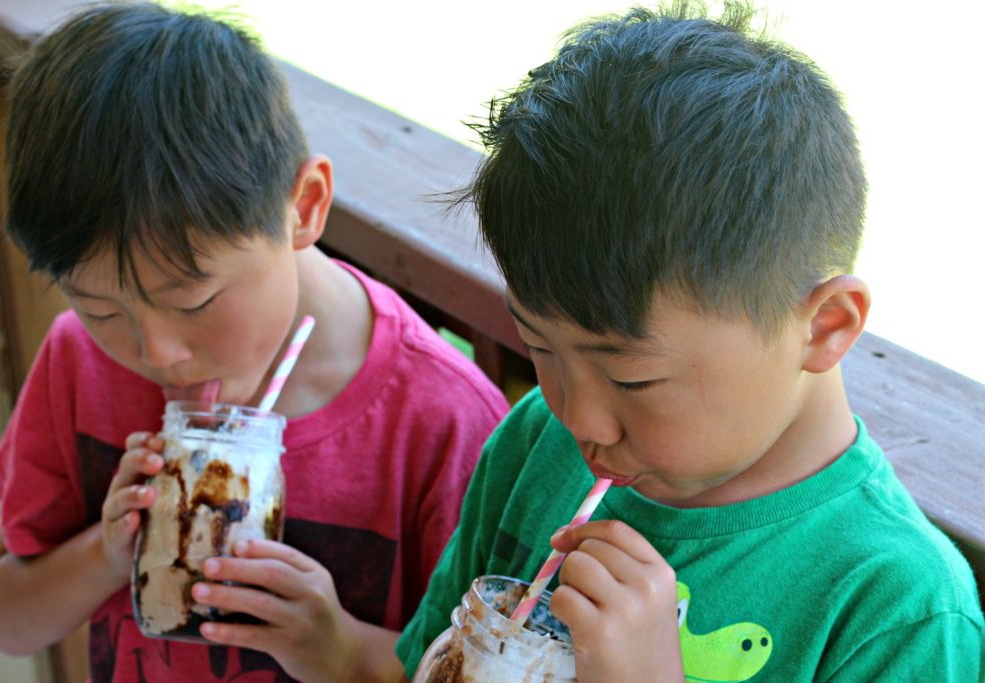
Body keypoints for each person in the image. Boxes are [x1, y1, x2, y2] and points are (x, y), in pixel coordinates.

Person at [396, 3, 984, 680]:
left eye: (632, 379)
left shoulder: (894, 609)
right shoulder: (535, 444)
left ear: (825, 325)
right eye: (541, 348)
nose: (578, 418)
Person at [0, 3, 508, 682]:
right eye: (99, 306)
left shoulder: (442, 420)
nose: (158, 352)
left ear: (305, 206)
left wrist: (339, 646)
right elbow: (1, 617)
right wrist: (104, 555)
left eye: (193, 300)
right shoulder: (77, 359)